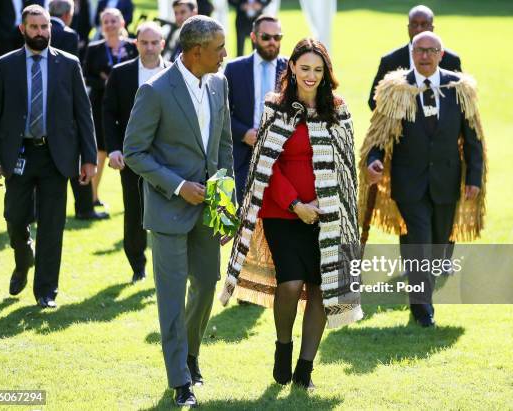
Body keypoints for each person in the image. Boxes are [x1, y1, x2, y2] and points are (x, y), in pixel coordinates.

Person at [220, 38, 362, 389]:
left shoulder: (339, 110)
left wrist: (326, 209)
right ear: (292, 69)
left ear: (326, 73)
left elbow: (346, 170)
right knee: (291, 283)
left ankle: (305, 369)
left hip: (327, 215)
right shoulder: (275, 108)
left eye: (318, 69)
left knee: (320, 289)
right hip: (283, 212)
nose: (311, 75)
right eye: (305, 68)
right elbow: (265, 163)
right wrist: (296, 205)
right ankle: (283, 345)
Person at [123, 15, 231, 407]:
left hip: (208, 212)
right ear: (197, 51)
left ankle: (189, 353)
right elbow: (134, 152)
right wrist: (178, 186)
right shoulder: (155, 91)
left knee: (206, 285)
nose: (225, 55)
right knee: (171, 298)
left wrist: (225, 208)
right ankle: (180, 380)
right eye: (220, 48)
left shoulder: (219, 83)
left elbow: (224, 148)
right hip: (167, 212)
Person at [360, 32, 486, 327]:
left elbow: (473, 139)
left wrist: (475, 177)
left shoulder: (459, 89)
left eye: (432, 51)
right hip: (409, 182)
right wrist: (373, 160)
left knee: (438, 242)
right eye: (420, 50)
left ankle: (419, 292)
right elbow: (378, 135)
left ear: (441, 55)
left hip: (447, 181)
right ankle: (421, 307)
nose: (425, 56)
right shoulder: (396, 89)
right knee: (420, 239)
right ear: (412, 53)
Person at [0, 5, 97, 309]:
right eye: (34, 27)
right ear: (23, 30)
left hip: (56, 156)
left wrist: (89, 159)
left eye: (44, 27)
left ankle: (46, 291)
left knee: (52, 224)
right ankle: (23, 260)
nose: (40, 33)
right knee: (15, 218)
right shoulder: (5, 65)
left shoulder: (69, 64)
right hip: (18, 154)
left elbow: (83, 115)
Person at [103, 22, 171, 283]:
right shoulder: (121, 74)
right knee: (134, 211)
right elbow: (108, 113)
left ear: (163, 44)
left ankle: (166, 266)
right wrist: (113, 150)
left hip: (168, 158)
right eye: (145, 42)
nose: (150, 47)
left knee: (168, 211)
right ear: (136, 44)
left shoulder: (176, 73)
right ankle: (137, 267)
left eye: (155, 42)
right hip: (132, 156)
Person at [49, 0, 109, 221]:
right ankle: (85, 207)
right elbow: (71, 74)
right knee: (78, 156)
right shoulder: (69, 35)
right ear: (67, 15)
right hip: (66, 106)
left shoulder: (33, 31)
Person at [223, 14, 286, 203]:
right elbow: (222, 112)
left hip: (282, 155)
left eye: (277, 37)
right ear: (253, 37)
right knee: (241, 213)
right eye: (266, 37)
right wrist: (243, 133)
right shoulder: (234, 68)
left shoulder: (292, 68)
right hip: (243, 154)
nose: (272, 42)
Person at [84, 7, 137, 207]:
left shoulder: (133, 46)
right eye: (105, 21)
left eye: (113, 20)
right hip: (100, 107)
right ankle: (93, 197)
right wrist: (106, 83)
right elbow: (87, 76)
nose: (109, 24)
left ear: (122, 23)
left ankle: (134, 200)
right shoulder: (94, 48)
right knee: (99, 152)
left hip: (129, 108)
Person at [368, 4, 462, 111]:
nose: (419, 29)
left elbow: (462, 101)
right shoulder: (390, 61)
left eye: (424, 24)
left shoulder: (451, 60)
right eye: (414, 24)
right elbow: (373, 101)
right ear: (408, 27)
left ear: (432, 27)